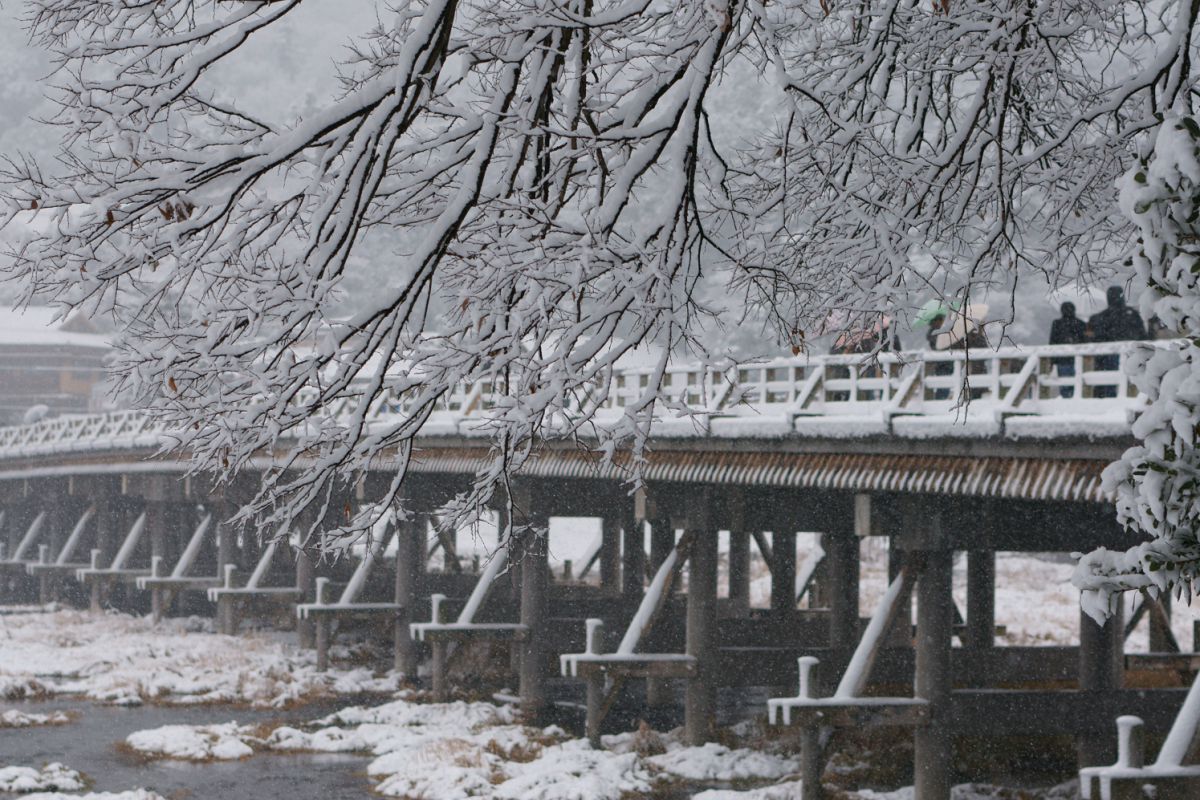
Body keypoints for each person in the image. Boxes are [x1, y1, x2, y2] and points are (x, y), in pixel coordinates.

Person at [1089, 286, 1148, 397]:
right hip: (1130, 356)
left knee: (1106, 382)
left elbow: (1095, 338)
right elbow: (1142, 336)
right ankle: (1130, 398)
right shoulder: (1133, 315)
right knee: (1130, 382)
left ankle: (1105, 400)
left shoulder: (1099, 318)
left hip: (1105, 359)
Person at [1049, 302, 1086, 397]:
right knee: (1078, 383)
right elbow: (1085, 342)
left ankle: (1066, 400)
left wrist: (1052, 361)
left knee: (1065, 384)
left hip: (1062, 359)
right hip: (1078, 359)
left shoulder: (1057, 323)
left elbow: (1052, 342)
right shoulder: (1081, 324)